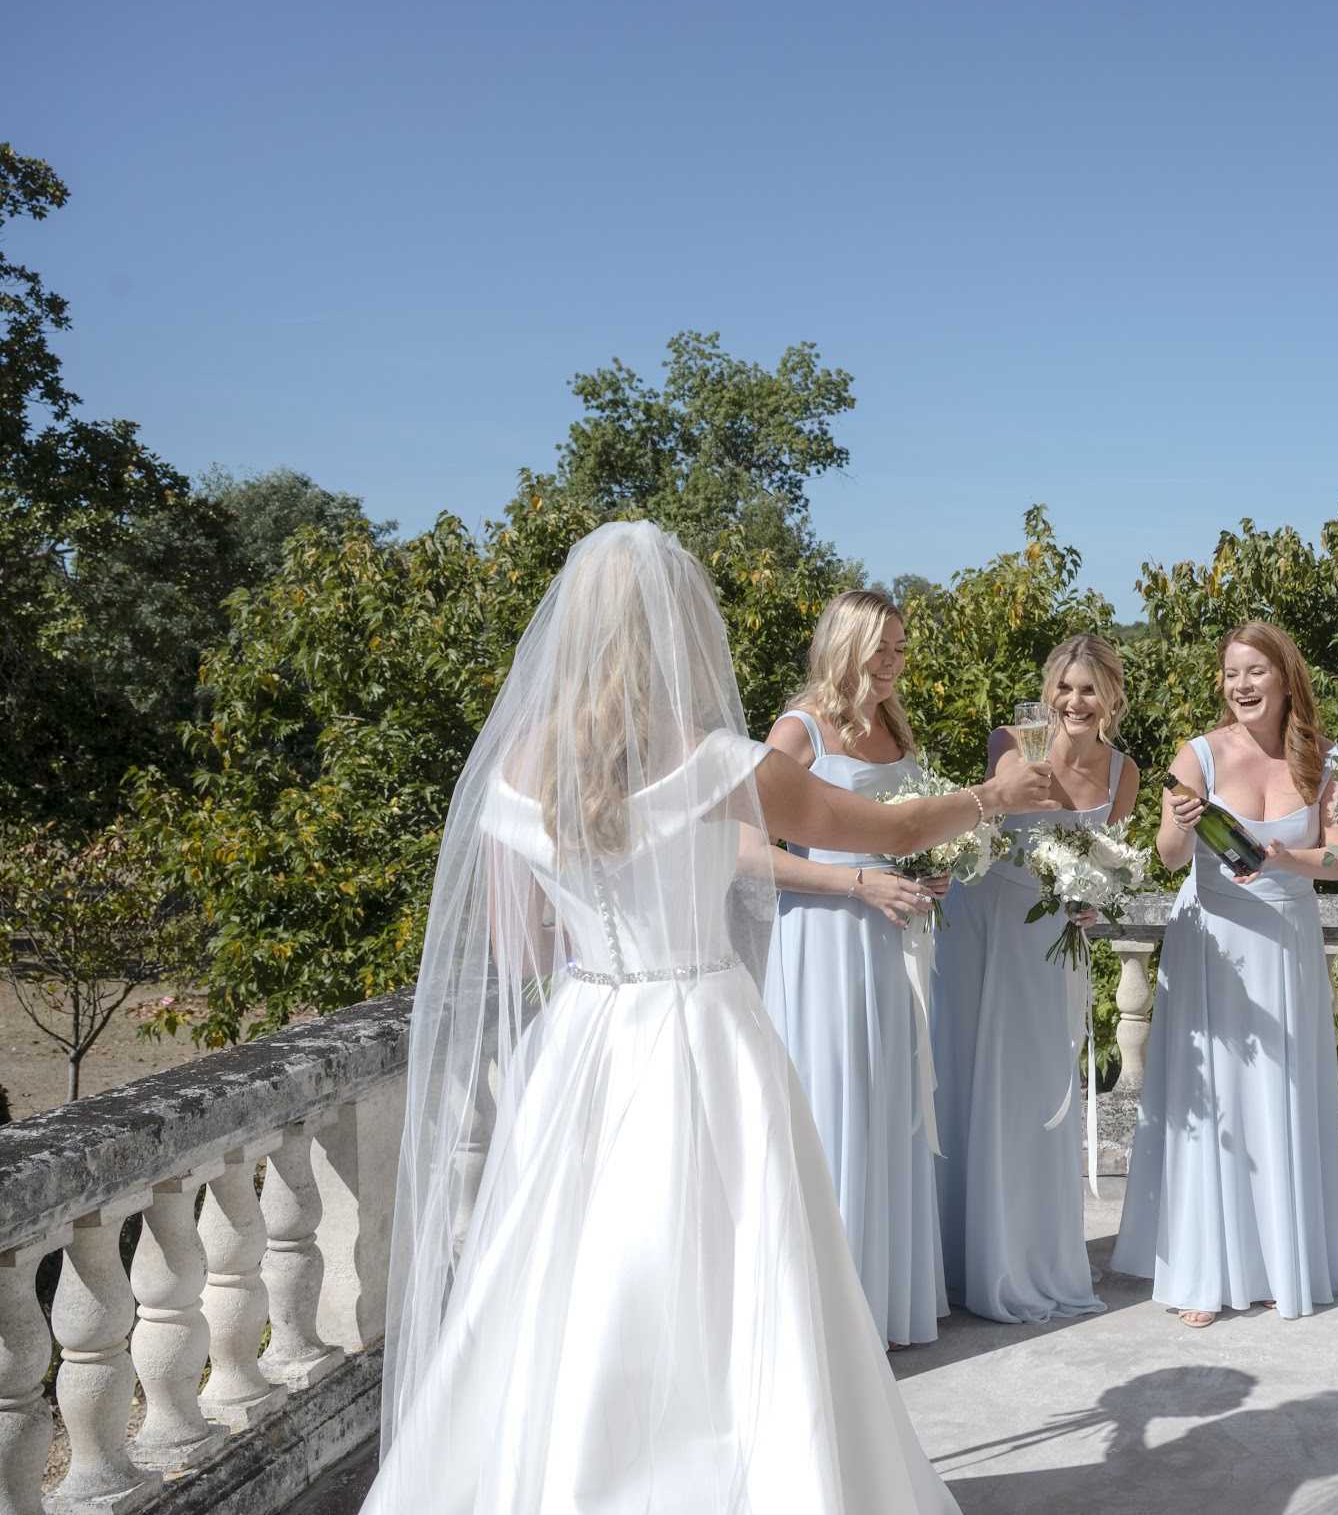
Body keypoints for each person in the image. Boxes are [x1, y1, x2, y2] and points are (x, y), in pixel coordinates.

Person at [364, 521, 1060, 1514]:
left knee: (567, 1282)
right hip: (701, 1034)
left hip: (582, 1042)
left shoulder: (514, 770)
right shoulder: (719, 764)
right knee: (737, 1286)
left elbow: (522, 954)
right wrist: (991, 796)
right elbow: (895, 830)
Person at [1113, 622, 1338, 1328]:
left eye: (1255, 672)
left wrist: (1284, 858)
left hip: (1287, 941)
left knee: (1284, 1091)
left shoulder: (1322, 759)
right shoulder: (1199, 755)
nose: (1241, 686)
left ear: (1284, 678)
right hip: (1214, 939)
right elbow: (1167, 857)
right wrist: (1184, 822)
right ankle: (1204, 1267)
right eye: (1231, 674)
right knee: (1216, 1098)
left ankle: (1283, 1262)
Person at [759, 589, 945, 1347]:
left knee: (887, 1107)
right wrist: (854, 881)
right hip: (826, 939)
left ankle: (885, 1301)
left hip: (892, 938)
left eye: (901, 648)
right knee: (833, 1109)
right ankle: (826, 1325)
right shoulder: (798, 731)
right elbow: (751, 853)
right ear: (845, 644)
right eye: (882, 648)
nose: (894, 662)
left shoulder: (895, 725)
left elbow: (911, 828)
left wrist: (938, 869)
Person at [932, 634, 1135, 1322]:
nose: (1075, 702)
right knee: (974, 1080)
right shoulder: (1011, 743)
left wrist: (1094, 900)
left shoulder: (1123, 774)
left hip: (1051, 943)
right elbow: (986, 820)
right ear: (1049, 691)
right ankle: (967, 1260)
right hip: (983, 927)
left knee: (1036, 1091)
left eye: (1089, 689)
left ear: (1110, 696)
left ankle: (1032, 1258)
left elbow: (1110, 863)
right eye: (1065, 688)